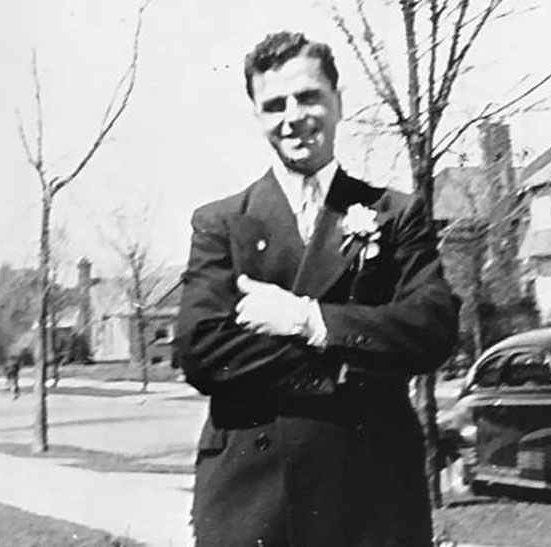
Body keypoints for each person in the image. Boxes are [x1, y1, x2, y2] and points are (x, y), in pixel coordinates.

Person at [175, 30, 459, 547]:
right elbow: (203, 351)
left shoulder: (395, 214)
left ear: (338, 102)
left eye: (308, 97)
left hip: (370, 493)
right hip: (253, 497)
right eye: (274, 105)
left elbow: (433, 328)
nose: (293, 117)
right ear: (257, 116)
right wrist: (349, 363)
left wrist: (309, 320)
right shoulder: (221, 224)